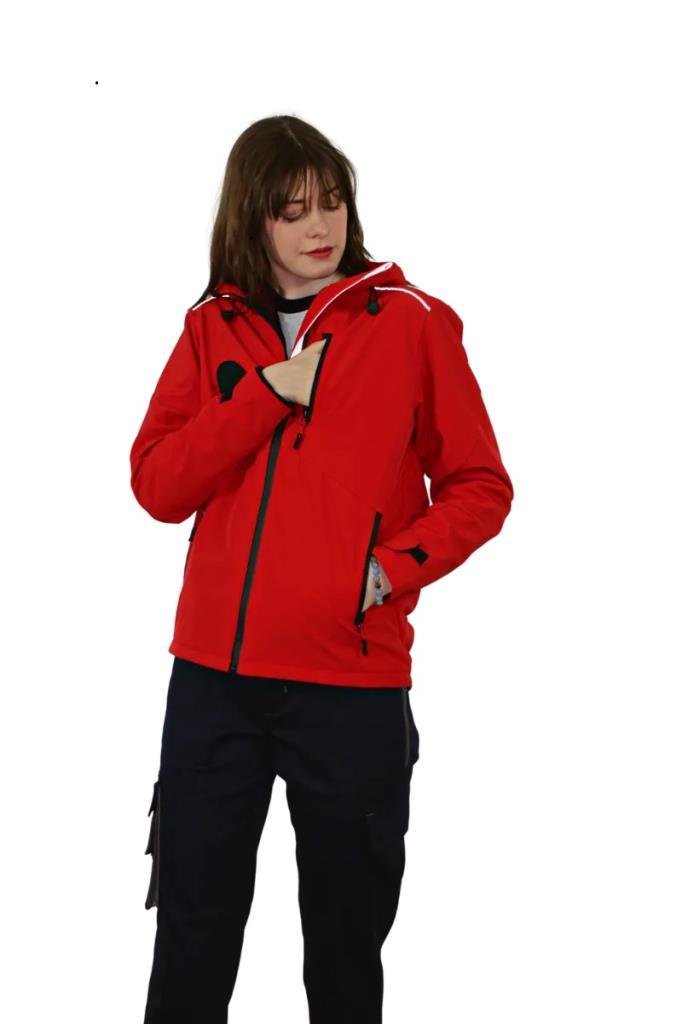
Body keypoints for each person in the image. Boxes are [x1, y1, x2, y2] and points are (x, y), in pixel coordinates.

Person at [130, 113, 514, 1024]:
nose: (320, 226)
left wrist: (384, 572)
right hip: (214, 686)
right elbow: (158, 485)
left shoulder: (412, 324)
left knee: (344, 954)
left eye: (332, 202)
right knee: (191, 944)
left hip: (351, 686)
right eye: (293, 209)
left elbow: (480, 485)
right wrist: (266, 395)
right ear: (251, 218)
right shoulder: (211, 328)